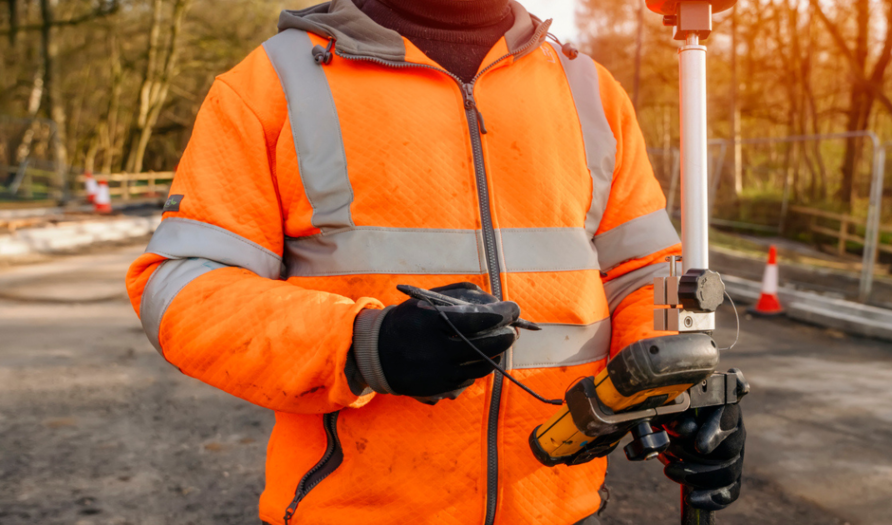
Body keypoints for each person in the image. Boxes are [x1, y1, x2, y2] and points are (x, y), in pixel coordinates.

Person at [125, 0, 745, 523]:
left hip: (561, 510)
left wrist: (678, 392)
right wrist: (364, 344)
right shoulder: (274, 83)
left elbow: (645, 278)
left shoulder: (588, 91)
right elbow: (182, 289)